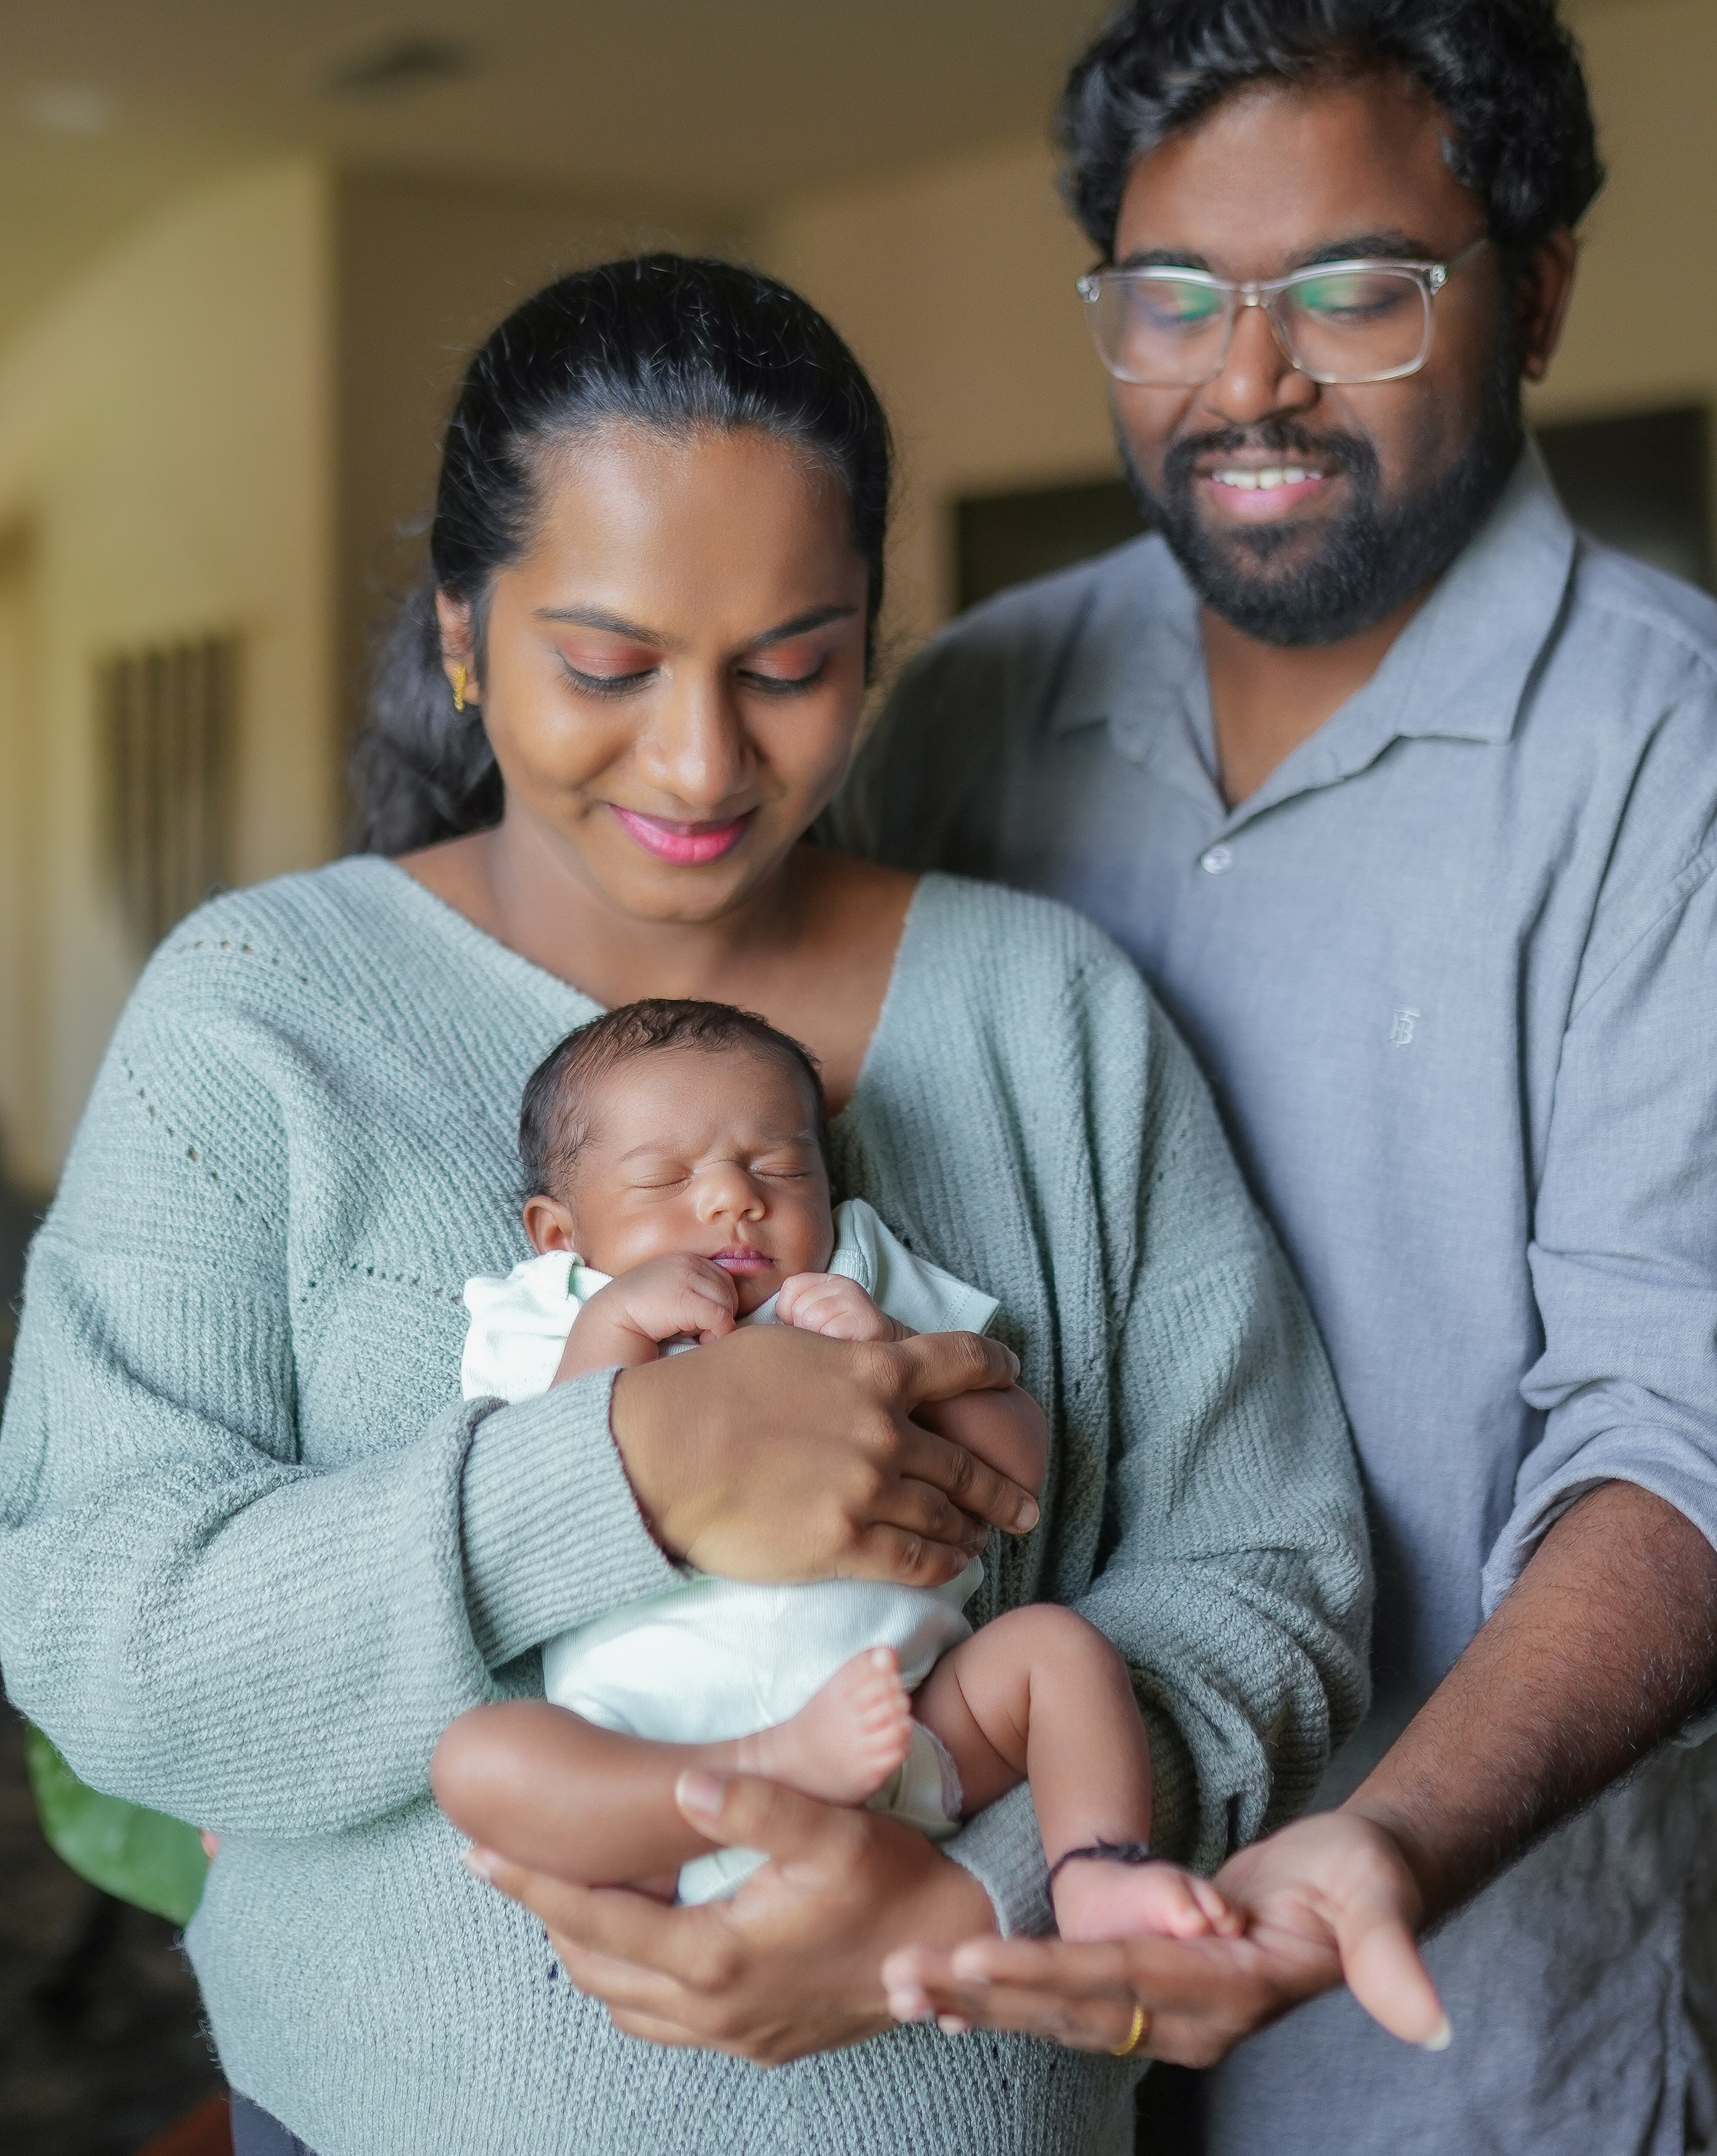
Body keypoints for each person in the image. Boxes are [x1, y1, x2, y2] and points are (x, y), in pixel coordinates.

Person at [0, 254, 1368, 2156]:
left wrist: (970, 1894)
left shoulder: (1049, 1013)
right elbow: (100, 1631)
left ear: (872, 647)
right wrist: (616, 1478)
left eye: (792, 666)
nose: (704, 762)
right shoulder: (258, 1022)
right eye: (610, 666)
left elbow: (1270, 1574)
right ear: (468, 640)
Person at [839, 0, 1717, 2152]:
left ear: (1533, 296)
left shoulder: (1670, 764)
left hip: (1458, 2022)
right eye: (1172, 296)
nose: (1248, 380)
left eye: (1354, 291)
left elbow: (1686, 1426)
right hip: (974, 2005)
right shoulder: (962, 714)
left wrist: (1392, 1846)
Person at [433, 997, 1240, 1949]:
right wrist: (614, 1328)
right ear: (560, 1235)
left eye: (779, 1168)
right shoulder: (548, 1310)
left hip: (907, 1729)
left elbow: (1018, 1473)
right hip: (652, 1753)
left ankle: (1100, 1872)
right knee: (479, 1759)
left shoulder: (860, 1275)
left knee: (1058, 1651)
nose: (736, 1197)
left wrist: (897, 1348)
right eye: (665, 1177)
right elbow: (544, 1497)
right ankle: (774, 1762)